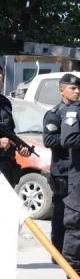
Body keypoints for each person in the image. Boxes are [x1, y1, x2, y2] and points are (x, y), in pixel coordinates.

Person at [43, 74, 79, 255]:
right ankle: (57, 253)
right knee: (61, 214)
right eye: (73, 88)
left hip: (75, 170)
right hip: (62, 170)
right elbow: (48, 139)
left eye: (78, 88)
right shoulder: (55, 113)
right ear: (61, 90)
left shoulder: (77, 112)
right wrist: (68, 139)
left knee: (74, 215)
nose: (77, 91)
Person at [57, 73, 80, 279]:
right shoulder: (73, 111)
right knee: (75, 225)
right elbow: (68, 139)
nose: (77, 91)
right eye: (73, 88)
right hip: (78, 178)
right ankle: (72, 272)